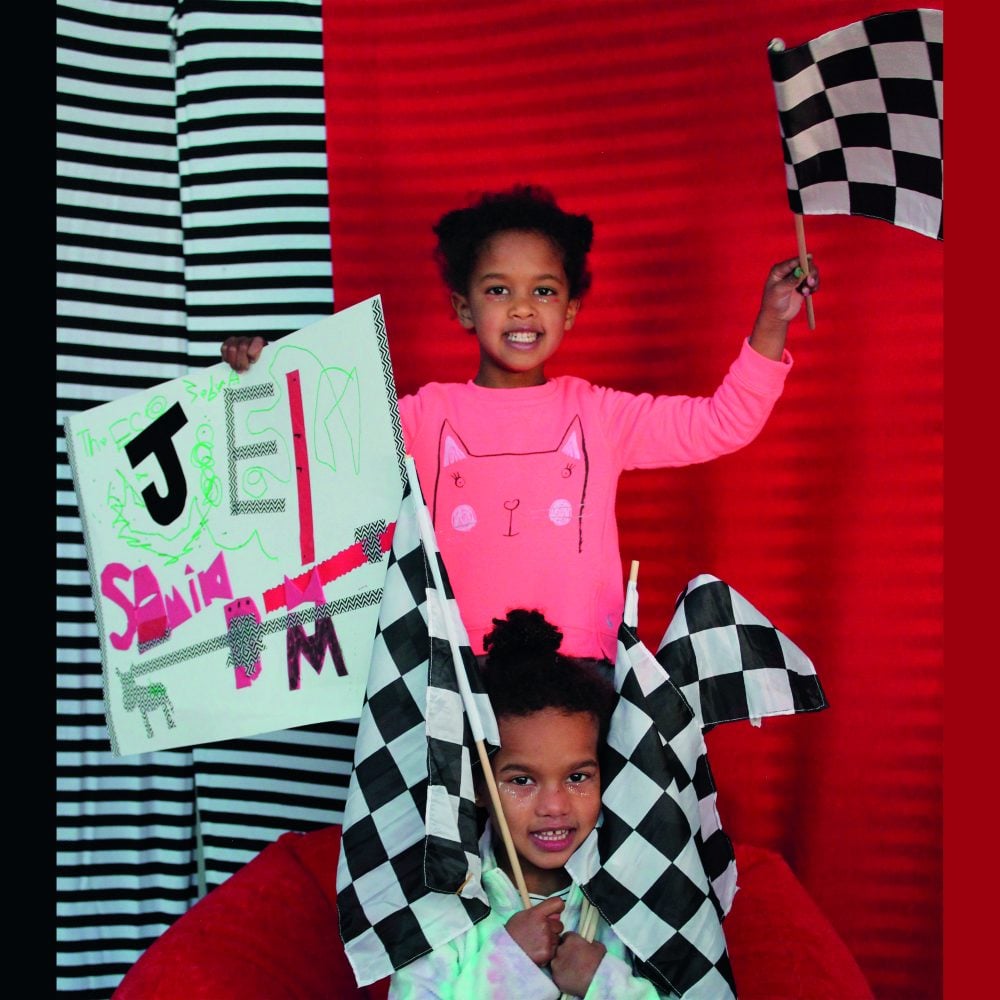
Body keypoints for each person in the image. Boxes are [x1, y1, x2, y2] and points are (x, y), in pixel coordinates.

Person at [221, 184, 818, 661]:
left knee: (561, 812)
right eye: (499, 289)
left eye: (545, 290)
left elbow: (722, 423)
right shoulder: (424, 415)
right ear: (464, 307)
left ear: (571, 310)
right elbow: (314, 455)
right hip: (449, 661)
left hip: (577, 663)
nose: (523, 307)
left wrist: (771, 322)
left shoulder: (598, 415)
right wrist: (263, 383)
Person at [389, 608, 666, 999]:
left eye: (577, 777)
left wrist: (602, 983)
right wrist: (511, 964)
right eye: (521, 781)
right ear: (479, 786)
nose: (554, 806)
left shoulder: (639, 891)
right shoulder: (441, 909)